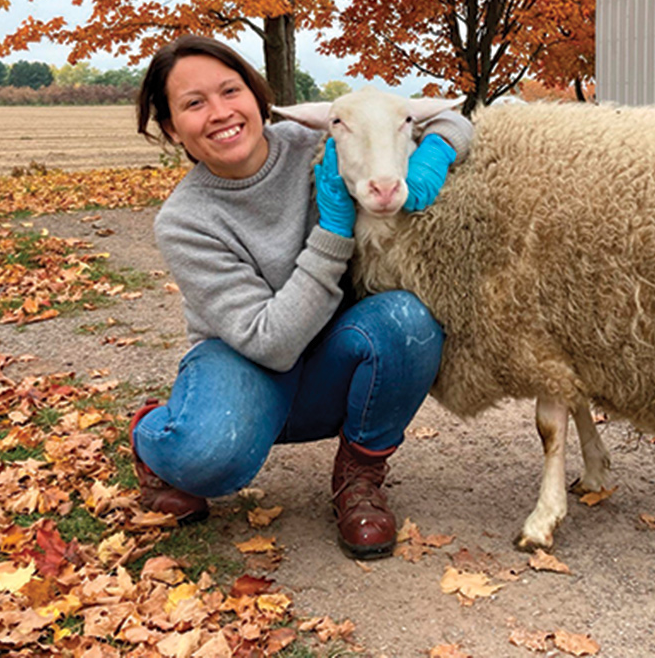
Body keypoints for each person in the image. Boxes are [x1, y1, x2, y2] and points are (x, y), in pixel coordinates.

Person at [131, 35, 472, 559]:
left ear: (256, 96)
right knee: (209, 458)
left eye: (230, 90)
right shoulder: (184, 221)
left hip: (330, 349)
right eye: (194, 104)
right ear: (172, 127)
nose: (220, 113)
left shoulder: (314, 141)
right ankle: (154, 436)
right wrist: (334, 230)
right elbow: (270, 343)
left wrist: (436, 152)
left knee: (408, 319)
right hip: (245, 356)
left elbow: (436, 119)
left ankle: (359, 475)